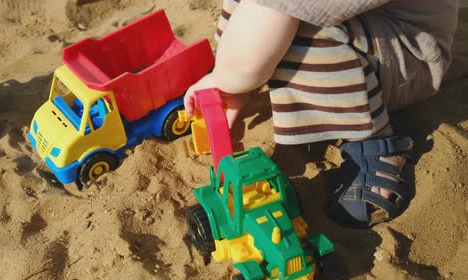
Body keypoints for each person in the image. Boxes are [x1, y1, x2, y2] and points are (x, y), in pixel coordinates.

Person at [184, 0, 459, 228]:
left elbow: (278, 10)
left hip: (403, 58)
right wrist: (234, 77)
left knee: (297, 28)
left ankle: (375, 141)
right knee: (261, 23)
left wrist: (228, 77)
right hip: (368, 24)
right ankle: (235, 70)